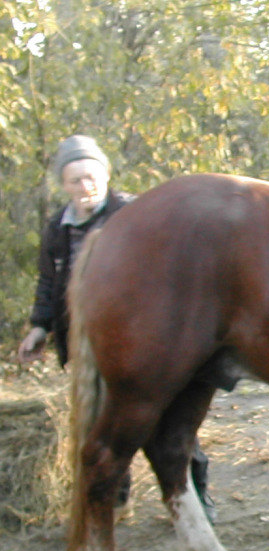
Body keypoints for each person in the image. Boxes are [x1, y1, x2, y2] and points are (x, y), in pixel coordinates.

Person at [17, 134, 217, 523]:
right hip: (87, 336)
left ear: (106, 175)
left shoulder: (134, 215)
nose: (85, 187)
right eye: (75, 180)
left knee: (173, 419)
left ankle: (200, 498)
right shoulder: (58, 227)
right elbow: (48, 282)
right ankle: (116, 500)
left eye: (91, 177)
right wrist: (39, 327)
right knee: (111, 421)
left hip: (142, 336)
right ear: (63, 184)